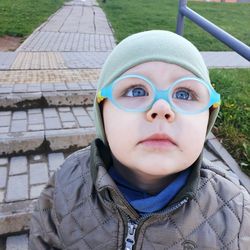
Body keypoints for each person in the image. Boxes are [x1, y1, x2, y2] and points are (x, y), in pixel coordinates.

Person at [29, 30, 250, 249]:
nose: (162, 108)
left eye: (184, 94)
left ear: (208, 117)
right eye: (136, 91)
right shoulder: (64, 187)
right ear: (101, 112)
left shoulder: (236, 214)